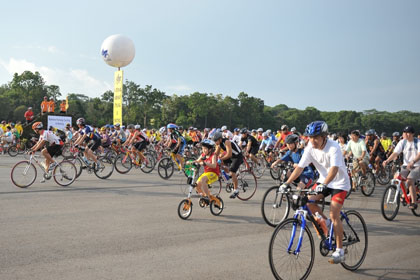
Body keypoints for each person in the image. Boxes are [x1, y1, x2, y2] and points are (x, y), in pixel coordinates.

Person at [280, 121, 350, 264]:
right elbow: (300, 167)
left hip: (340, 183)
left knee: (334, 213)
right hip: (324, 180)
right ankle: (329, 225)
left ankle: (340, 251)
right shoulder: (310, 148)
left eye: (315, 137)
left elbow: (334, 169)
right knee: (308, 202)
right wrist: (286, 183)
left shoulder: (334, 147)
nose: (312, 141)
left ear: (324, 136)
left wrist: (323, 184)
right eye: (310, 137)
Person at [384, 126, 419, 209]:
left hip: (417, 165)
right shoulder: (402, 142)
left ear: (412, 134)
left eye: (408, 133)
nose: (405, 134)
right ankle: (405, 194)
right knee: (397, 178)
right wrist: (387, 161)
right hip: (406, 165)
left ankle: (413, 203)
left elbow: (419, 154)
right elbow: (395, 153)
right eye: (404, 132)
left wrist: (413, 161)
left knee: (410, 181)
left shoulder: (417, 142)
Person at [212, 131, 244, 199]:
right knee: (220, 160)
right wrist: (210, 159)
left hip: (238, 156)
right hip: (232, 156)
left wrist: (220, 159)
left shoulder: (227, 142)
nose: (215, 143)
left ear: (220, 139)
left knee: (232, 172)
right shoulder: (219, 144)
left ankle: (236, 190)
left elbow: (229, 154)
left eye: (216, 141)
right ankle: (228, 175)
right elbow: (215, 154)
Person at [194, 139, 221, 204]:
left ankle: (208, 197)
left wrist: (205, 163)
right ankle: (205, 196)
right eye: (202, 148)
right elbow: (197, 161)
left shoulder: (213, 155)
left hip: (214, 174)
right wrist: (190, 162)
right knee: (196, 186)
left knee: (203, 180)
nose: (203, 150)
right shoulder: (203, 155)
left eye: (205, 148)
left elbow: (214, 165)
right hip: (206, 173)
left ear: (210, 149)